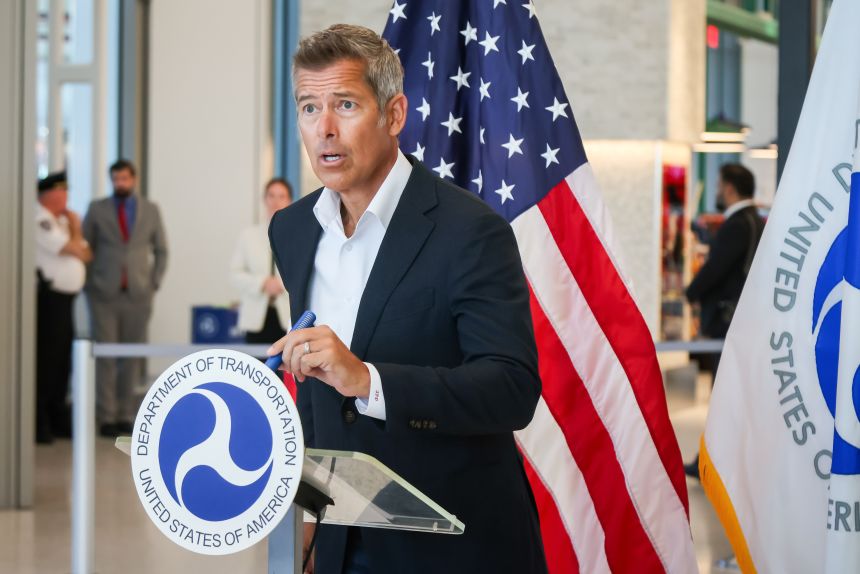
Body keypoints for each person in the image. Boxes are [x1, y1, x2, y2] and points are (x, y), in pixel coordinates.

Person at [267, 24, 546, 574]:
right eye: (307, 107)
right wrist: (306, 516)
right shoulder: (293, 229)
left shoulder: (471, 230)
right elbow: (317, 397)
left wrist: (369, 380)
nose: (323, 129)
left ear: (394, 115)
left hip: (455, 541)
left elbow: (512, 389)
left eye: (344, 104)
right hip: (341, 538)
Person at [684, 163, 765, 478]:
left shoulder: (737, 224)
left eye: (718, 184)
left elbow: (716, 267)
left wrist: (691, 291)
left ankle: (713, 465)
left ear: (730, 187)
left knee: (724, 396)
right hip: (745, 321)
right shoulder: (756, 222)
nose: (717, 190)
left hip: (726, 322)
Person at [83, 159, 168, 438]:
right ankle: (106, 416)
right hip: (104, 294)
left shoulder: (150, 210)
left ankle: (124, 414)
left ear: (134, 179)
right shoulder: (97, 210)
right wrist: (89, 284)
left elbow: (161, 250)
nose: (120, 184)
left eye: (125, 179)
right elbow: (86, 248)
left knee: (130, 357)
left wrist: (153, 282)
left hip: (138, 294)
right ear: (111, 180)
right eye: (116, 179)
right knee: (106, 356)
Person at [34, 171, 91, 444]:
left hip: (66, 300)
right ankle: (39, 420)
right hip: (49, 299)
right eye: (61, 192)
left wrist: (74, 231)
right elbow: (74, 249)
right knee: (47, 361)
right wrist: (77, 229)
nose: (65, 198)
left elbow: (87, 254)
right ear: (48, 194)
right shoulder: (41, 219)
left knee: (62, 362)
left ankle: (57, 417)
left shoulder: (61, 220)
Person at [229, 178, 292, 344]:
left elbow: (305, 275)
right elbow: (235, 274)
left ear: (289, 200)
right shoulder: (248, 236)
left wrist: (281, 285)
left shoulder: (298, 237)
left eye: (281, 196)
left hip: (288, 317)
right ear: (265, 199)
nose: (276, 201)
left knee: (287, 368)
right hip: (256, 318)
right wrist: (262, 283)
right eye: (271, 196)